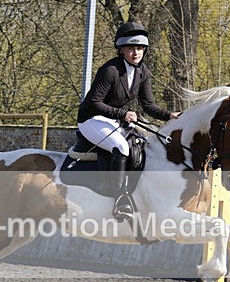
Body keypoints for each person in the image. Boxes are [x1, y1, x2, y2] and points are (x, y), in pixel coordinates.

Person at [77, 21, 181, 221]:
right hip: (92, 119)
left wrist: (169, 115)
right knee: (122, 147)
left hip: (114, 119)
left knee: (145, 143)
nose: (136, 52)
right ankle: (120, 200)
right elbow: (93, 103)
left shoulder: (143, 73)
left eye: (140, 48)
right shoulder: (110, 70)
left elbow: (148, 105)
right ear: (122, 50)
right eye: (131, 48)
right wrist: (122, 114)